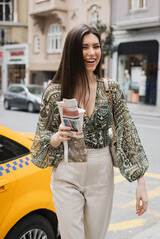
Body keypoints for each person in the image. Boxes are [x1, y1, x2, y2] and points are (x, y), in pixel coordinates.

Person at [31, 24, 149, 239]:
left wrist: (141, 182)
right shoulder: (55, 91)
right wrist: (57, 137)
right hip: (67, 169)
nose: (91, 52)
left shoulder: (109, 88)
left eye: (96, 46)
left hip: (100, 171)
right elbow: (40, 139)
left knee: (95, 236)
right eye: (84, 47)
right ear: (72, 51)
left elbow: (127, 132)